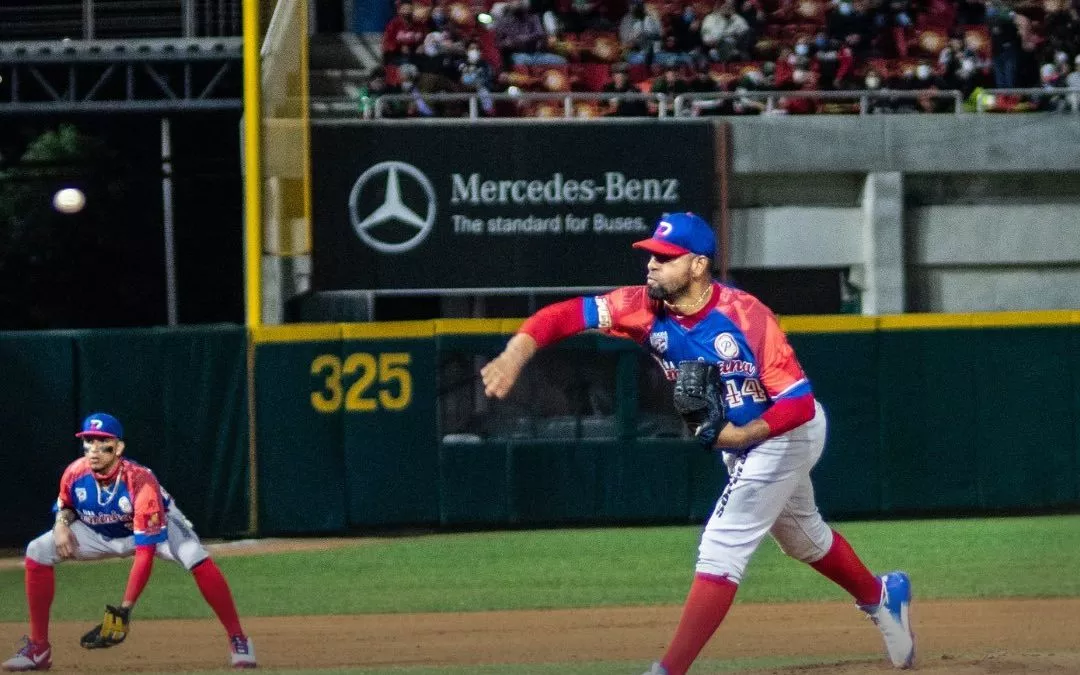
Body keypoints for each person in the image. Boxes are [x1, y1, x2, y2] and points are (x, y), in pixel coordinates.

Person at [480, 213, 916, 675]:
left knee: (722, 544)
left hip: (782, 431)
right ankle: (881, 596)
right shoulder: (641, 307)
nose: (651, 265)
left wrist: (745, 436)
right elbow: (568, 315)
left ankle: (668, 670)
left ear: (697, 266)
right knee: (803, 539)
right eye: (651, 255)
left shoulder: (746, 316)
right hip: (745, 443)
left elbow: (800, 403)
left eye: (665, 258)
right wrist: (515, 352)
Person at [2, 413, 255, 672]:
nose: (94, 450)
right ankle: (39, 648)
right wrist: (61, 525)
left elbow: (144, 553)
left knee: (195, 556)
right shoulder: (75, 473)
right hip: (98, 531)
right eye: (89, 442)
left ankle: (238, 639)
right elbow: (65, 505)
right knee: (37, 551)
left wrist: (125, 609)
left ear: (119, 448)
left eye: (104, 444)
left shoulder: (140, 482)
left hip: (156, 528)